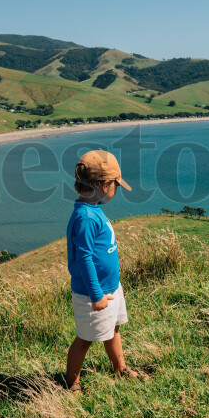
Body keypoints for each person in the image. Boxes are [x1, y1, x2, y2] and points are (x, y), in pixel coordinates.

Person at [65, 149, 149, 394]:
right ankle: (72, 383)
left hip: (109, 289)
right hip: (94, 294)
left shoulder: (92, 209)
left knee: (113, 329)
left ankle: (120, 369)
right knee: (85, 339)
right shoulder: (86, 218)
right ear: (104, 185)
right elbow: (85, 259)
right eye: (116, 185)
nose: (116, 190)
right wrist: (96, 296)